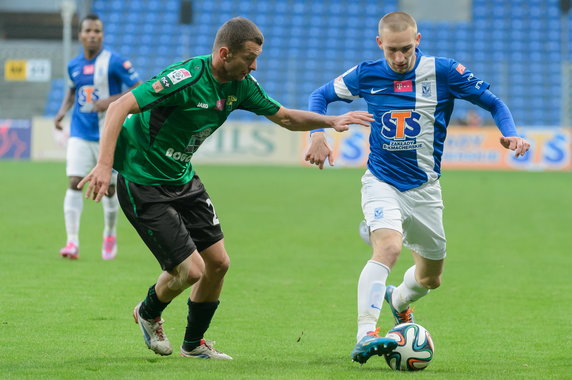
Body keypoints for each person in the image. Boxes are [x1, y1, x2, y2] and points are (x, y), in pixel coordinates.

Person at [78, 17, 373, 359]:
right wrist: (103, 164)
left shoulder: (242, 85)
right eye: (249, 58)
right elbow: (119, 106)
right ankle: (148, 312)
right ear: (224, 53)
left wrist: (329, 122)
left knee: (218, 263)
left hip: (182, 177)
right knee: (191, 271)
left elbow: (285, 117)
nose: (255, 65)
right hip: (143, 179)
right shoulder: (187, 77)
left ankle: (193, 344)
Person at [304, 11, 530, 365]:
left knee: (430, 278)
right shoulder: (366, 74)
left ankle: (398, 302)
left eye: (406, 49)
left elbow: (494, 103)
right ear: (380, 43)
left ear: (418, 41)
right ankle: (366, 333)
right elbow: (319, 96)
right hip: (381, 181)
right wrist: (317, 134)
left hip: (426, 191)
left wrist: (511, 131)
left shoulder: (443, 72)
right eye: (391, 50)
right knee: (389, 248)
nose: (398, 58)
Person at [54, 13, 141, 260]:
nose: (93, 35)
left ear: (102, 35)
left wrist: (110, 102)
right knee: (74, 181)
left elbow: (139, 88)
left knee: (110, 189)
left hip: (109, 133)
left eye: (97, 31)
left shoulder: (114, 62)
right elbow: (72, 92)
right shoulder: (73, 65)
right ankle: (72, 242)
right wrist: (61, 113)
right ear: (80, 35)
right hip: (80, 132)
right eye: (88, 31)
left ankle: (110, 233)